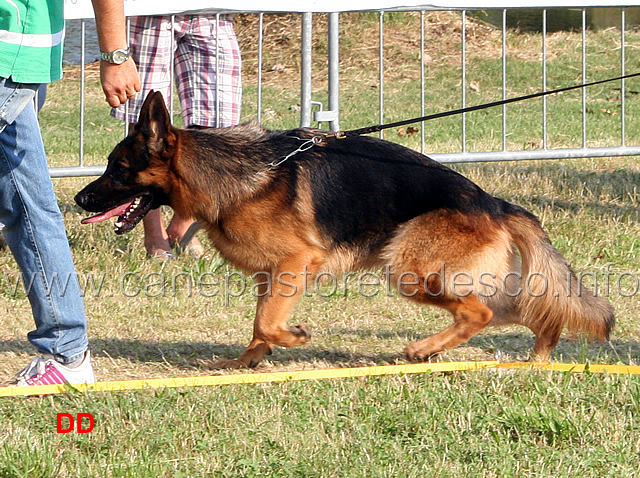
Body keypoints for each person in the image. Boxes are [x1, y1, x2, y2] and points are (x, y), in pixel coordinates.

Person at [0, 0, 140, 386]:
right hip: (16, 52)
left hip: (9, 52)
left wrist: (115, 53)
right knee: (25, 205)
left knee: (28, 206)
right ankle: (66, 350)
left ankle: (67, 350)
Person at [112, 14, 242, 259]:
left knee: (217, 122)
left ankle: (183, 224)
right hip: (151, 13)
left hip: (212, 12)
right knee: (146, 123)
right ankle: (154, 235)